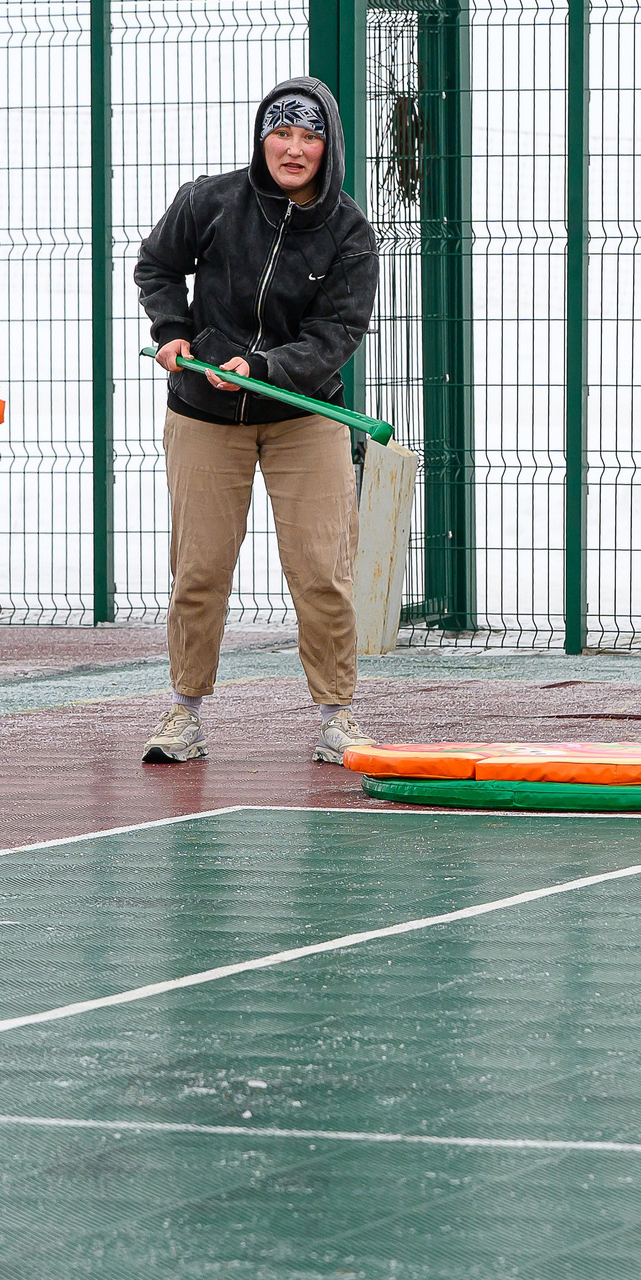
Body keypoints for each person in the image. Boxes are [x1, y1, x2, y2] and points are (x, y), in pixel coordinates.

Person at [135, 77, 380, 766]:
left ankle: (337, 715)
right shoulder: (208, 201)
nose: (294, 148)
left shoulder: (350, 233)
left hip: (305, 414)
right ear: (261, 137)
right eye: (282, 132)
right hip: (203, 413)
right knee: (200, 568)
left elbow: (338, 331)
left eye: (309, 136)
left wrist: (265, 368)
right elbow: (156, 264)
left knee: (320, 571)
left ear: (328, 146)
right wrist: (174, 331)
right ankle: (184, 710)